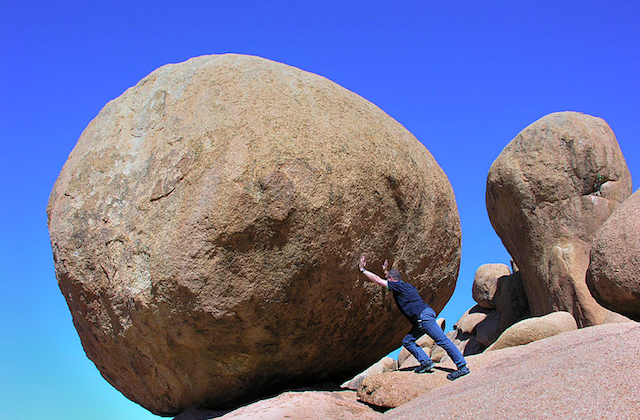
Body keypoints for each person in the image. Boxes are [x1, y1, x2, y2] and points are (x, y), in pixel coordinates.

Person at [358, 255, 470, 380]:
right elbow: (389, 279)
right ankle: (426, 362)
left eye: (388, 278)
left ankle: (462, 367)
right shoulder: (406, 285)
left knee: (442, 340)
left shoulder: (398, 286)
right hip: (422, 318)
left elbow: (378, 280)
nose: (387, 281)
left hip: (423, 318)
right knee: (407, 341)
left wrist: (363, 270)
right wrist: (386, 270)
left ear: (391, 279)